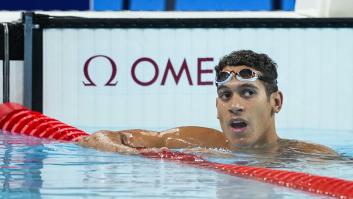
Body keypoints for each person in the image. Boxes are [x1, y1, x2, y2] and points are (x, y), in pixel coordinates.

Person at [79, 50, 337, 156]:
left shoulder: (308, 157)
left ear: (276, 102)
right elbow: (103, 137)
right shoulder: (195, 141)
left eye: (247, 92)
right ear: (217, 108)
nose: (234, 105)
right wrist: (127, 154)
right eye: (225, 95)